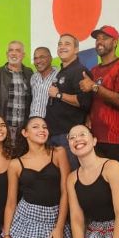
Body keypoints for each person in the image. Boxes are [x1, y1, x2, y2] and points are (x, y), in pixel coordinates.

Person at [0, 116, 71, 238]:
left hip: (52, 221)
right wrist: (7, 235)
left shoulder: (58, 153)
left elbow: (66, 192)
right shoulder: (15, 164)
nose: (42, 130)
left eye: (44, 127)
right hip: (26, 220)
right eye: (36, 127)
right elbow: (11, 203)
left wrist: (59, 227)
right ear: (25, 133)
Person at [80, 25, 119, 166]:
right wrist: (88, 116)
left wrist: (94, 87)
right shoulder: (94, 70)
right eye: (97, 39)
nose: (99, 42)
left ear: (115, 42)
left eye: (105, 38)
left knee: (116, 177)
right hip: (94, 138)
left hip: (115, 138)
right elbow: (92, 101)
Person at [45, 34, 92, 169]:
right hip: (55, 134)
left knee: (72, 175)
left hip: (69, 136)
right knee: (58, 177)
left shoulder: (80, 71)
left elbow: (83, 101)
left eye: (67, 44)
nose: (62, 47)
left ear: (76, 49)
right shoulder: (63, 71)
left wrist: (58, 94)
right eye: (60, 44)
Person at [0, 41, 32, 143]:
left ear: (23, 55)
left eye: (18, 51)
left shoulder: (29, 74)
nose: (14, 53)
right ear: (7, 54)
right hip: (2, 128)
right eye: (11, 50)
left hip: (23, 129)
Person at [29, 47, 58, 118]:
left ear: (50, 58)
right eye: (35, 58)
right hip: (33, 120)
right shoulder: (33, 77)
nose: (38, 61)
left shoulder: (59, 76)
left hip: (51, 121)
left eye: (42, 57)